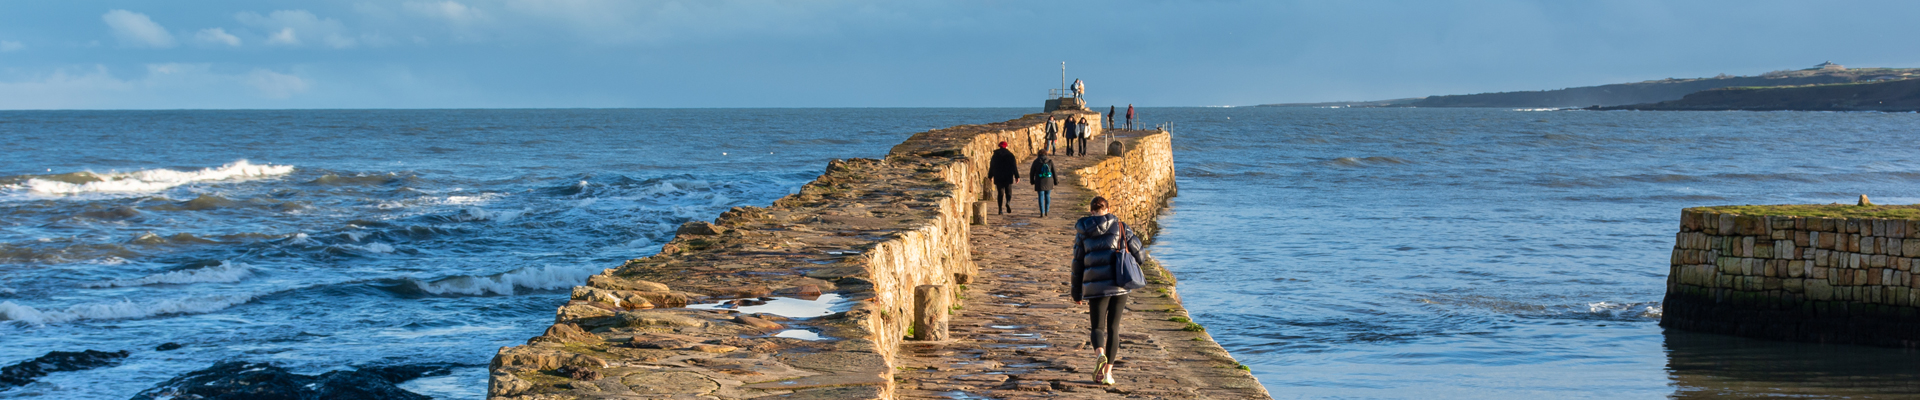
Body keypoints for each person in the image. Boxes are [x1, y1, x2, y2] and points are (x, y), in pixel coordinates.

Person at [1071, 196, 1141, 386]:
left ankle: (1099, 354)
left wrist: (1076, 292)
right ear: (1108, 209)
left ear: (1091, 211)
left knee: (1097, 327)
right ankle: (1108, 373)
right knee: (1113, 328)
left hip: (1095, 287)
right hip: (1119, 284)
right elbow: (1140, 253)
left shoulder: (1083, 230)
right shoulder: (1120, 226)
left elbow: (1077, 263)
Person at [988, 141, 1020, 214]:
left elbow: (992, 166)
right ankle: (1008, 202)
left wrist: (990, 175)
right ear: (1006, 146)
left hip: (998, 175)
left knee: (1000, 193)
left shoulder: (995, 155)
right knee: (1008, 191)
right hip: (1008, 175)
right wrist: (1017, 176)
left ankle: (1000, 209)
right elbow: (1014, 167)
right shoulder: (1010, 155)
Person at [1030, 153, 1057, 217]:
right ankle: (1047, 211)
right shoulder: (1050, 161)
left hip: (1039, 181)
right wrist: (1056, 181)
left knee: (1041, 196)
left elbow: (1032, 172)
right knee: (1047, 195)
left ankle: (1042, 212)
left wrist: (1032, 181)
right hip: (1049, 181)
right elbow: (1054, 172)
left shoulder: (1036, 162)